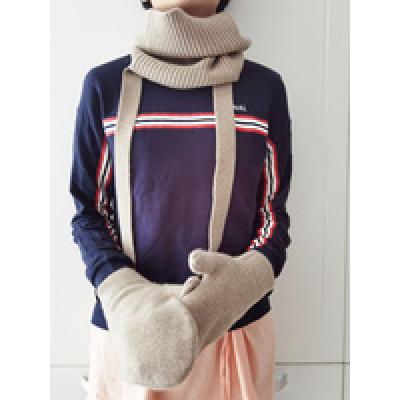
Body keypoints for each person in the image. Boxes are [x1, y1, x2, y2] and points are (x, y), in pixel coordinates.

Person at [69, 0, 292, 398]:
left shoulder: (264, 89)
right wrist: (125, 296)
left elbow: (273, 215)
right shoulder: (105, 86)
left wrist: (236, 289)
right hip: (129, 333)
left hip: (234, 331)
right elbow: (88, 212)